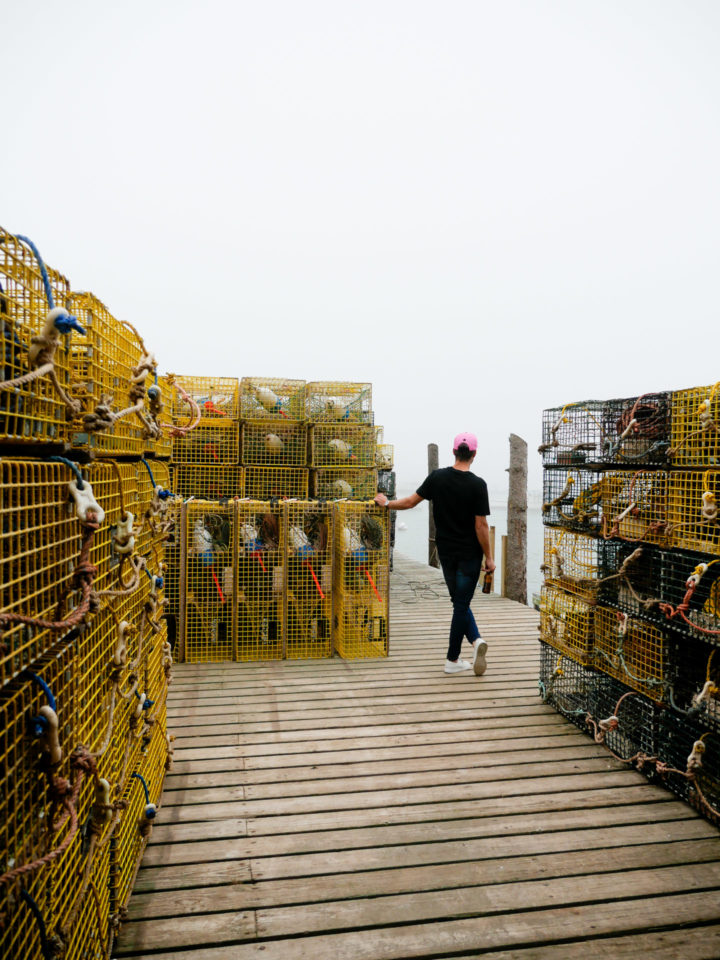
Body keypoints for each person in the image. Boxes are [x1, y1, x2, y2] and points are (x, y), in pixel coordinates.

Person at [374, 432, 495, 675]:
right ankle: (452, 660)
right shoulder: (478, 484)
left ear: (453, 452)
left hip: (446, 553)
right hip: (469, 555)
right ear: (474, 454)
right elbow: (480, 526)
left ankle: (476, 641)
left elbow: (409, 502)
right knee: (461, 604)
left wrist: (387, 504)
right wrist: (489, 557)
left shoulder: (438, 477)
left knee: (459, 603)